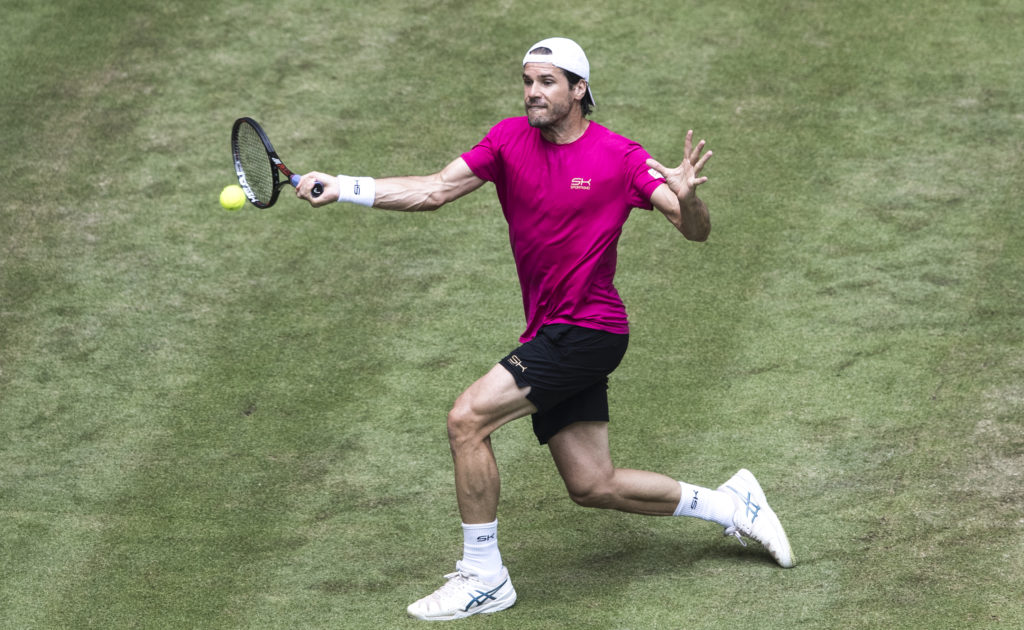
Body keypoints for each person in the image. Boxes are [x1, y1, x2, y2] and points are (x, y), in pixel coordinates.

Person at [297, 37, 794, 621]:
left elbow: (694, 231)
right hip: (550, 331)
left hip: (589, 329)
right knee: (592, 484)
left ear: (579, 90)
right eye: (528, 81)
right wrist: (346, 185)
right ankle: (732, 505)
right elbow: (435, 189)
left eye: (548, 82)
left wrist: (690, 200)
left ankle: (483, 578)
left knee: (467, 420)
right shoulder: (508, 140)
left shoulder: (621, 157)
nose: (533, 91)